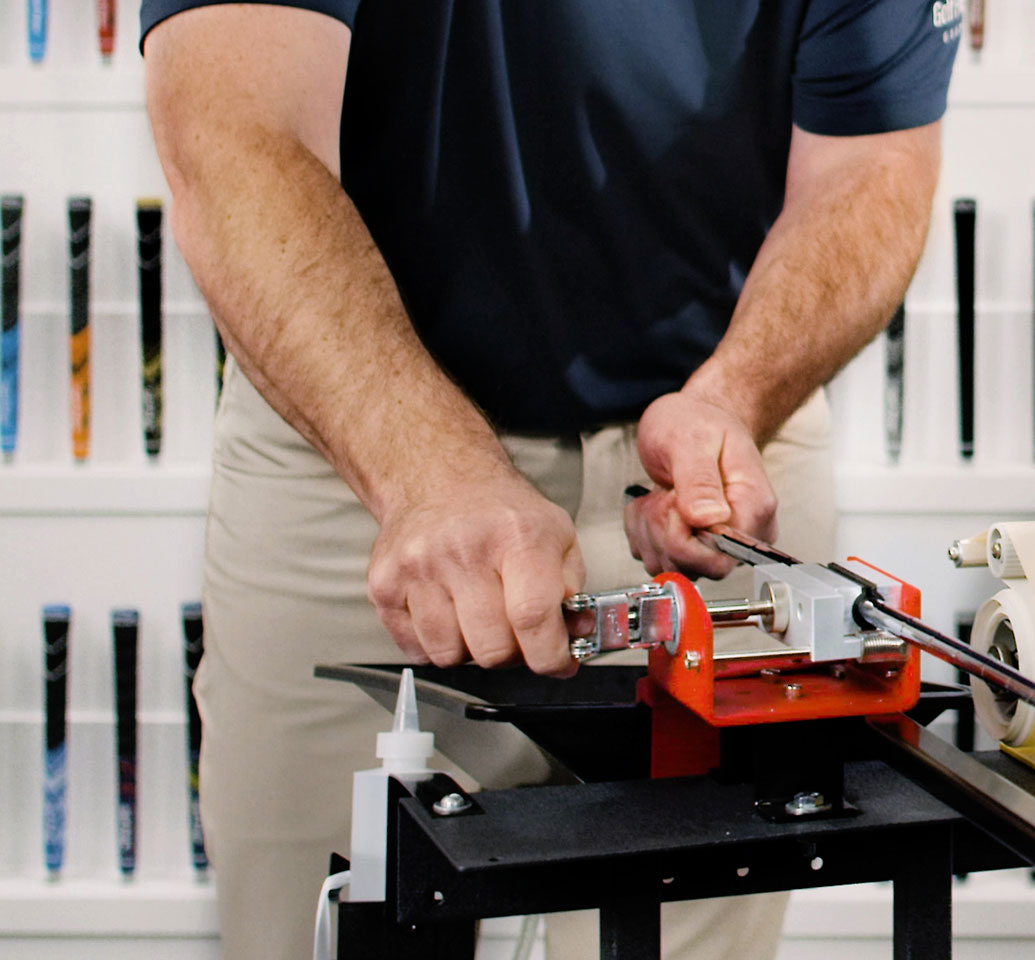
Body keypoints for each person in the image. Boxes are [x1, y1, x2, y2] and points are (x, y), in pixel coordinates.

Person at [140, 2, 959, 958]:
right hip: (357, 442)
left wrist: (739, 396)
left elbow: (873, 160)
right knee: (329, 920)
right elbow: (233, 127)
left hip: (715, 464)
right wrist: (426, 467)